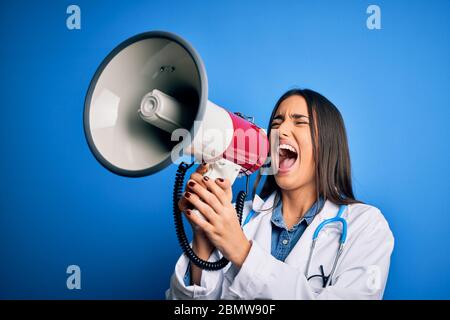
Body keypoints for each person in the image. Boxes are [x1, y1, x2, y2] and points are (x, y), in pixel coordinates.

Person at [166, 88, 394, 299]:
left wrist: (241, 251)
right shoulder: (235, 216)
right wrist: (203, 237)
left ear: (327, 142)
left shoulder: (366, 225)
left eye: (299, 122)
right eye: (277, 122)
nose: (280, 131)